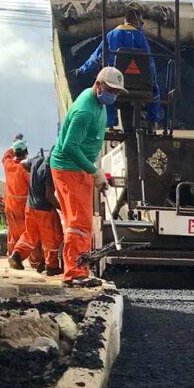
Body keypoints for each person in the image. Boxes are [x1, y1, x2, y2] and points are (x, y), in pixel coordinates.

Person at [50, 66, 126, 288]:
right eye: (111, 90)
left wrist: (94, 171)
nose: (114, 95)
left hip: (80, 168)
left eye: (118, 92)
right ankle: (74, 273)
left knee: (82, 221)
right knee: (78, 222)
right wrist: (94, 170)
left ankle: (81, 267)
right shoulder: (85, 111)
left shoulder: (99, 103)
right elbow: (68, 147)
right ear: (99, 85)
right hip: (68, 168)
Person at [75, 5, 161, 129]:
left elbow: (97, 56)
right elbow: (149, 62)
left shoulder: (111, 35)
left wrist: (82, 69)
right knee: (156, 91)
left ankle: (108, 123)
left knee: (105, 85)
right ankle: (153, 121)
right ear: (136, 21)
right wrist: (152, 82)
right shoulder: (141, 37)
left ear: (125, 20)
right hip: (140, 83)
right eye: (141, 21)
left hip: (116, 81)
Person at [11, 149, 63, 276]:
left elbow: (23, 163)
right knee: (53, 237)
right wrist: (64, 209)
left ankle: (17, 255)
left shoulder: (36, 160)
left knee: (31, 235)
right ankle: (51, 266)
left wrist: (32, 173)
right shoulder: (49, 170)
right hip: (44, 210)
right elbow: (49, 196)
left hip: (30, 207)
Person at [2, 135, 34, 263]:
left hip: (9, 204)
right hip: (22, 206)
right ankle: (28, 259)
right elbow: (33, 185)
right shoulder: (24, 169)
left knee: (13, 232)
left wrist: (13, 144)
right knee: (27, 232)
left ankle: (12, 255)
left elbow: (5, 156)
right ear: (26, 153)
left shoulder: (8, 165)